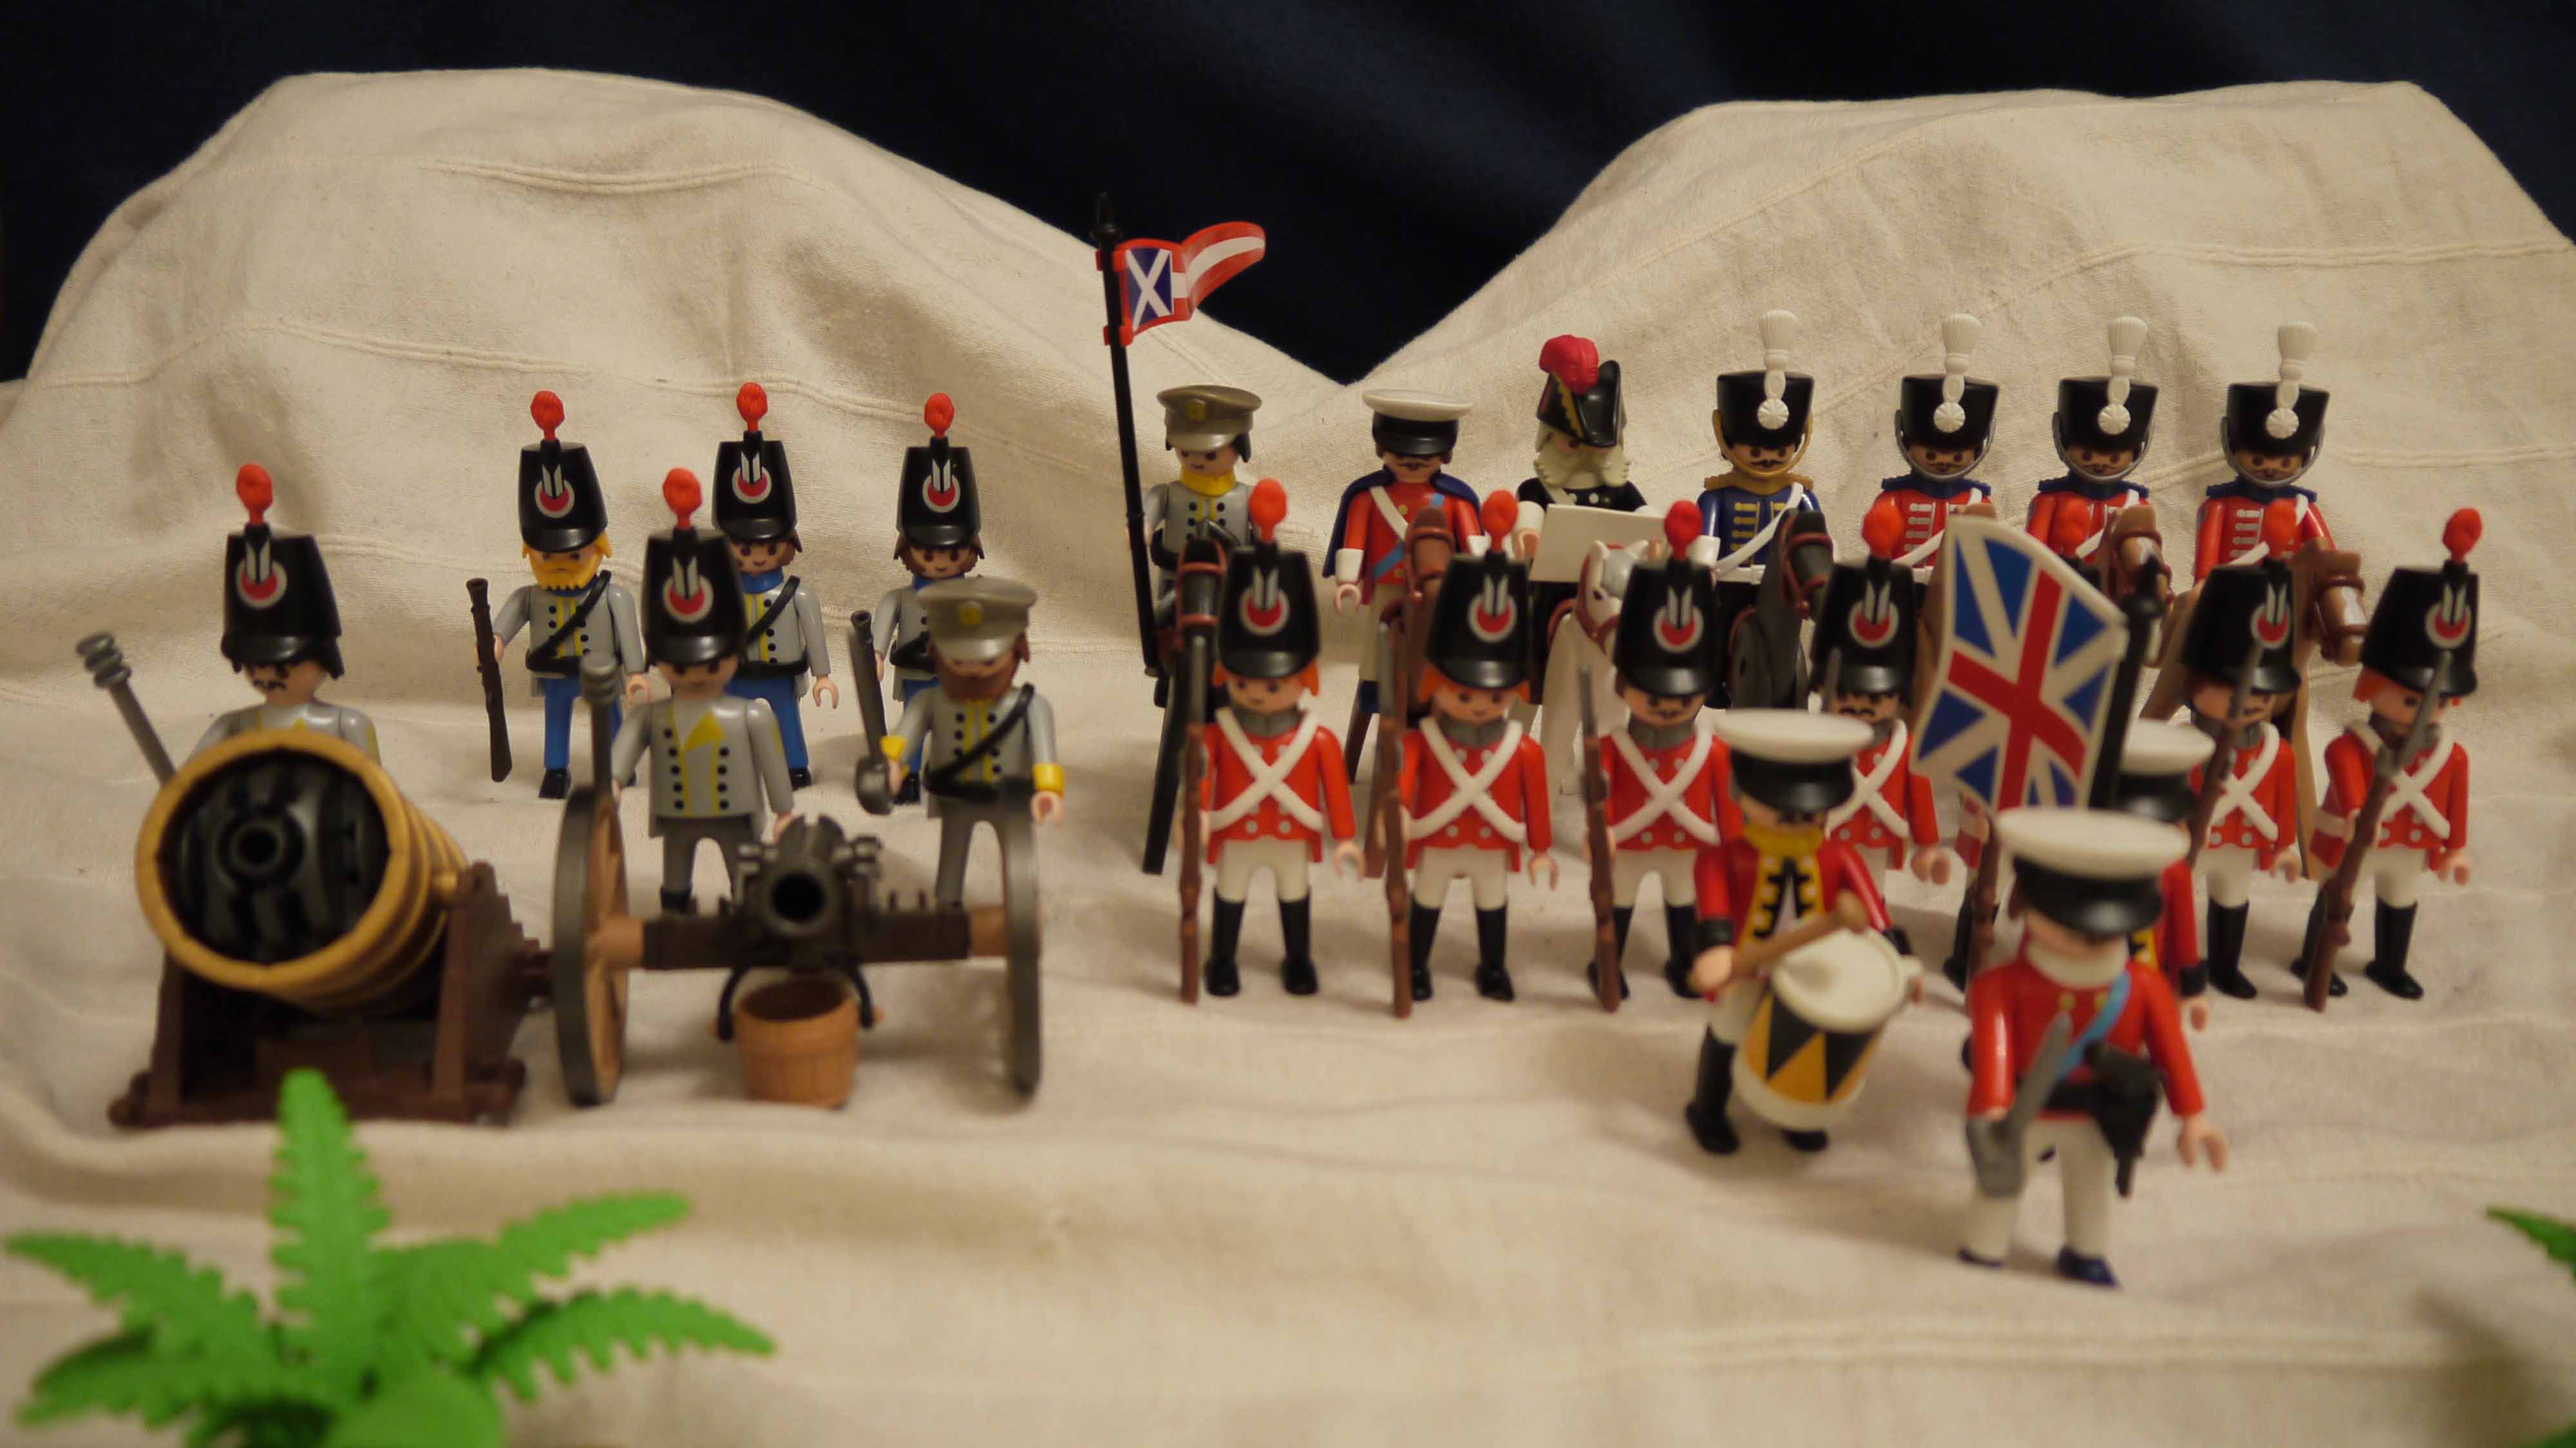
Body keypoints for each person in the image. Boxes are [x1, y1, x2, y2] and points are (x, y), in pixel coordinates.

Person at [1960, 809, 2227, 1289]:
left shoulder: (2143, 987)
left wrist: (2193, 1115)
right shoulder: (1999, 986)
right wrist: (1993, 1111)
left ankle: (2086, 1251)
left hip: (2097, 1112)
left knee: (2091, 1187)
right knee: (2000, 1184)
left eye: (2101, 928)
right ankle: (1985, 1244)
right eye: (2070, 922)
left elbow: (2172, 1052)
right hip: (2025, 1108)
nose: (2085, 938)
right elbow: (1994, 1053)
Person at [611, 470, 795, 914]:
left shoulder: (752, 715)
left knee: (742, 870)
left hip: (737, 813)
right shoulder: (651, 716)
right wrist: (613, 781)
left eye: (712, 663)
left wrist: (785, 811)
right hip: (677, 814)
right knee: (676, 873)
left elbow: (773, 765)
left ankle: (745, 913)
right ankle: (676, 913)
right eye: (679, 664)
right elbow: (626, 745)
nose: (695, 674)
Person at [1198, 535, 1358, 996]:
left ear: (1307, 678)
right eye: (1245, 682)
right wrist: (1196, 817)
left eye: (1274, 684)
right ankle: (1223, 960)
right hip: (1236, 831)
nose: (1259, 693)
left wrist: (1346, 838)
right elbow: (1201, 779)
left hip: (1291, 834)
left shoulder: (1317, 740)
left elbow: (1336, 789)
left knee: (1294, 895)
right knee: (1230, 893)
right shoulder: (1219, 734)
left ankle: (1298, 958)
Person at [489, 390, 643, 797]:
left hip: (602, 670)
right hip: (556, 671)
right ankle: (556, 770)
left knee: (610, 717)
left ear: (599, 546)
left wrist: (636, 673)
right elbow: (508, 619)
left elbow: (629, 636)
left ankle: (617, 764)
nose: (560, 562)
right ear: (529, 551)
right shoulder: (530, 597)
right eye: (547, 554)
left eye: (574, 554)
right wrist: (495, 640)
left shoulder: (612, 597)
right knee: (555, 719)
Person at [882, 576, 1065, 908]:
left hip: (1010, 797)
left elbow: (1045, 754)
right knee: (952, 853)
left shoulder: (1030, 706)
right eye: (958, 659)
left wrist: (1049, 789)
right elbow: (902, 737)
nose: (973, 671)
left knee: (1018, 858)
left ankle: (1020, 908)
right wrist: (891, 766)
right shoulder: (929, 701)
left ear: (1019, 651)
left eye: (988, 660)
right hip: (955, 795)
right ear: (936, 652)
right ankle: (948, 906)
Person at [191, 464, 377, 761]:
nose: (266, 675)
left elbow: (372, 782)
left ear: (323, 657)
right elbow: (194, 771)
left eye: (283, 668)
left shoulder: (347, 725)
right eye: (254, 666)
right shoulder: (235, 725)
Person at [711, 383, 835, 789]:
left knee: (787, 719)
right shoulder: (721, 593)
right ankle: (736, 768)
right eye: (744, 548)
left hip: (782, 674)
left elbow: (814, 634)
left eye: (768, 546)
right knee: (732, 722)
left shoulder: (797, 595)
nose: (757, 556)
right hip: (735, 672)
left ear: (788, 544)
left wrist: (822, 675)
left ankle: (795, 766)